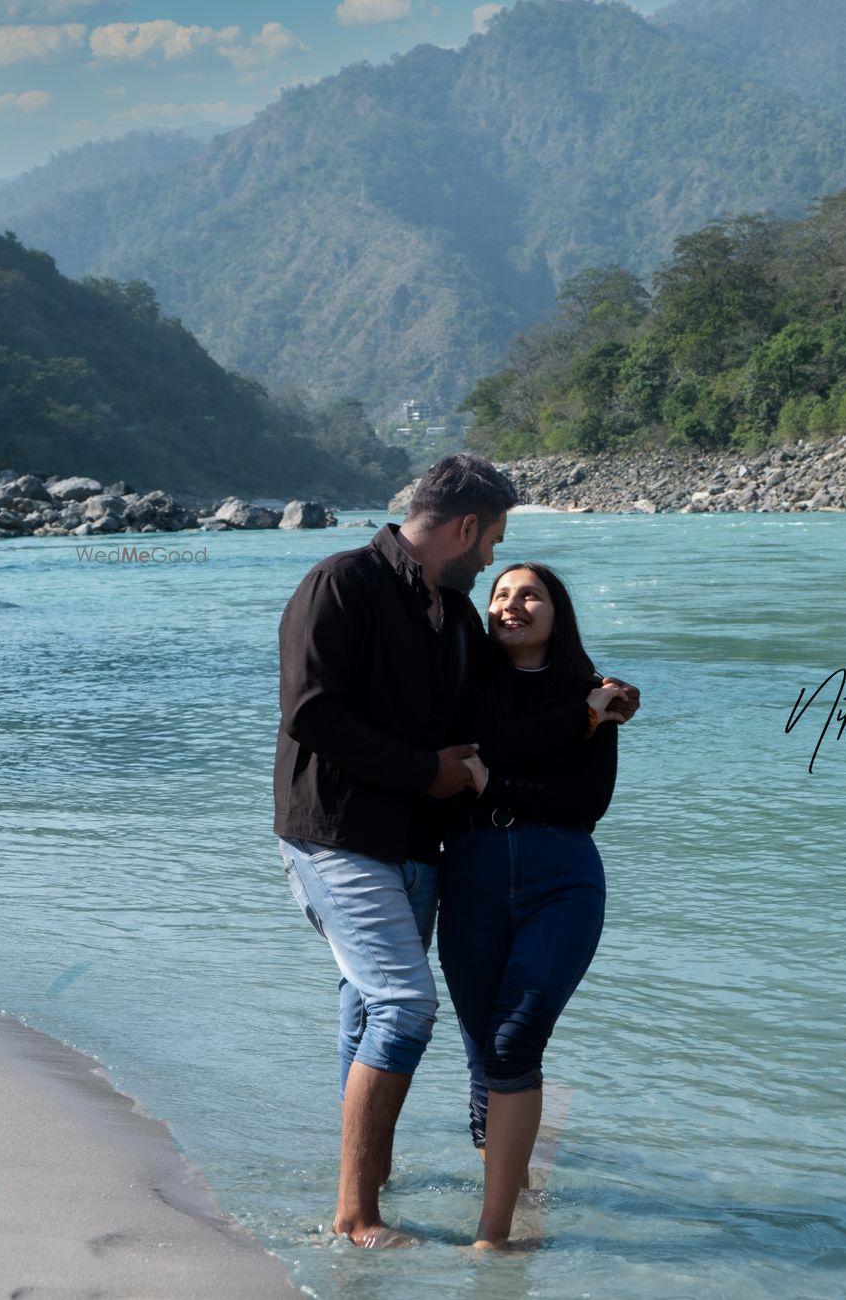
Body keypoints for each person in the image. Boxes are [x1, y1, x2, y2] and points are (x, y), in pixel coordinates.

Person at [273, 456, 633, 1248]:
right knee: (405, 1008)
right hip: (336, 831)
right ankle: (358, 1214)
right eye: (492, 545)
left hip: (424, 845)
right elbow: (312, 713)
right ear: (467, 528)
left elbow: (498, 736)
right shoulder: (342, 582)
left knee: (367, 1005)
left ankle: (375, 1177)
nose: (493, 566)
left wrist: (585, 708)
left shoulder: (453, 617)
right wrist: (433, 772)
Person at [437, 562, 624, 1249]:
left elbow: (587, 803)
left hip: (563, 880)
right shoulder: (467, 687)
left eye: (531, 595)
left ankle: (496, 1236)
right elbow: (486, 747)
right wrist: (575, 724)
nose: (513, 605)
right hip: (472, 879)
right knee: (483, 1056)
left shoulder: (597, 692)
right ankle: (516, 1186)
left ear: (557, 612)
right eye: (501, 595)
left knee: (514, 1042)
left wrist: (493, 788)